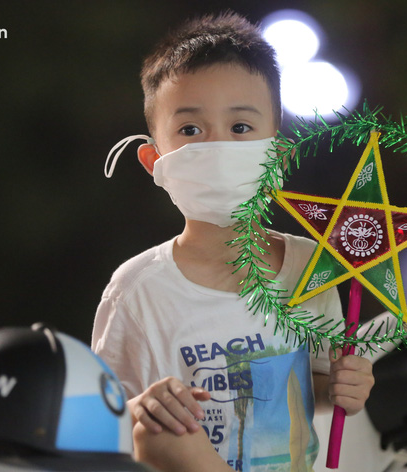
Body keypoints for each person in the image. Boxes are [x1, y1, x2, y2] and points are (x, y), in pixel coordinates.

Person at [92, 12, 374, 472]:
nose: (218, 147)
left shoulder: (311, 268)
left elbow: (316, 388)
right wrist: (143, 410)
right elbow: (103, 426)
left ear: (278, 154)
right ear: (153, 160)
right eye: (190, 130)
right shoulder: (137, 291)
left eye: (241, 127)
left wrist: (345, 388)